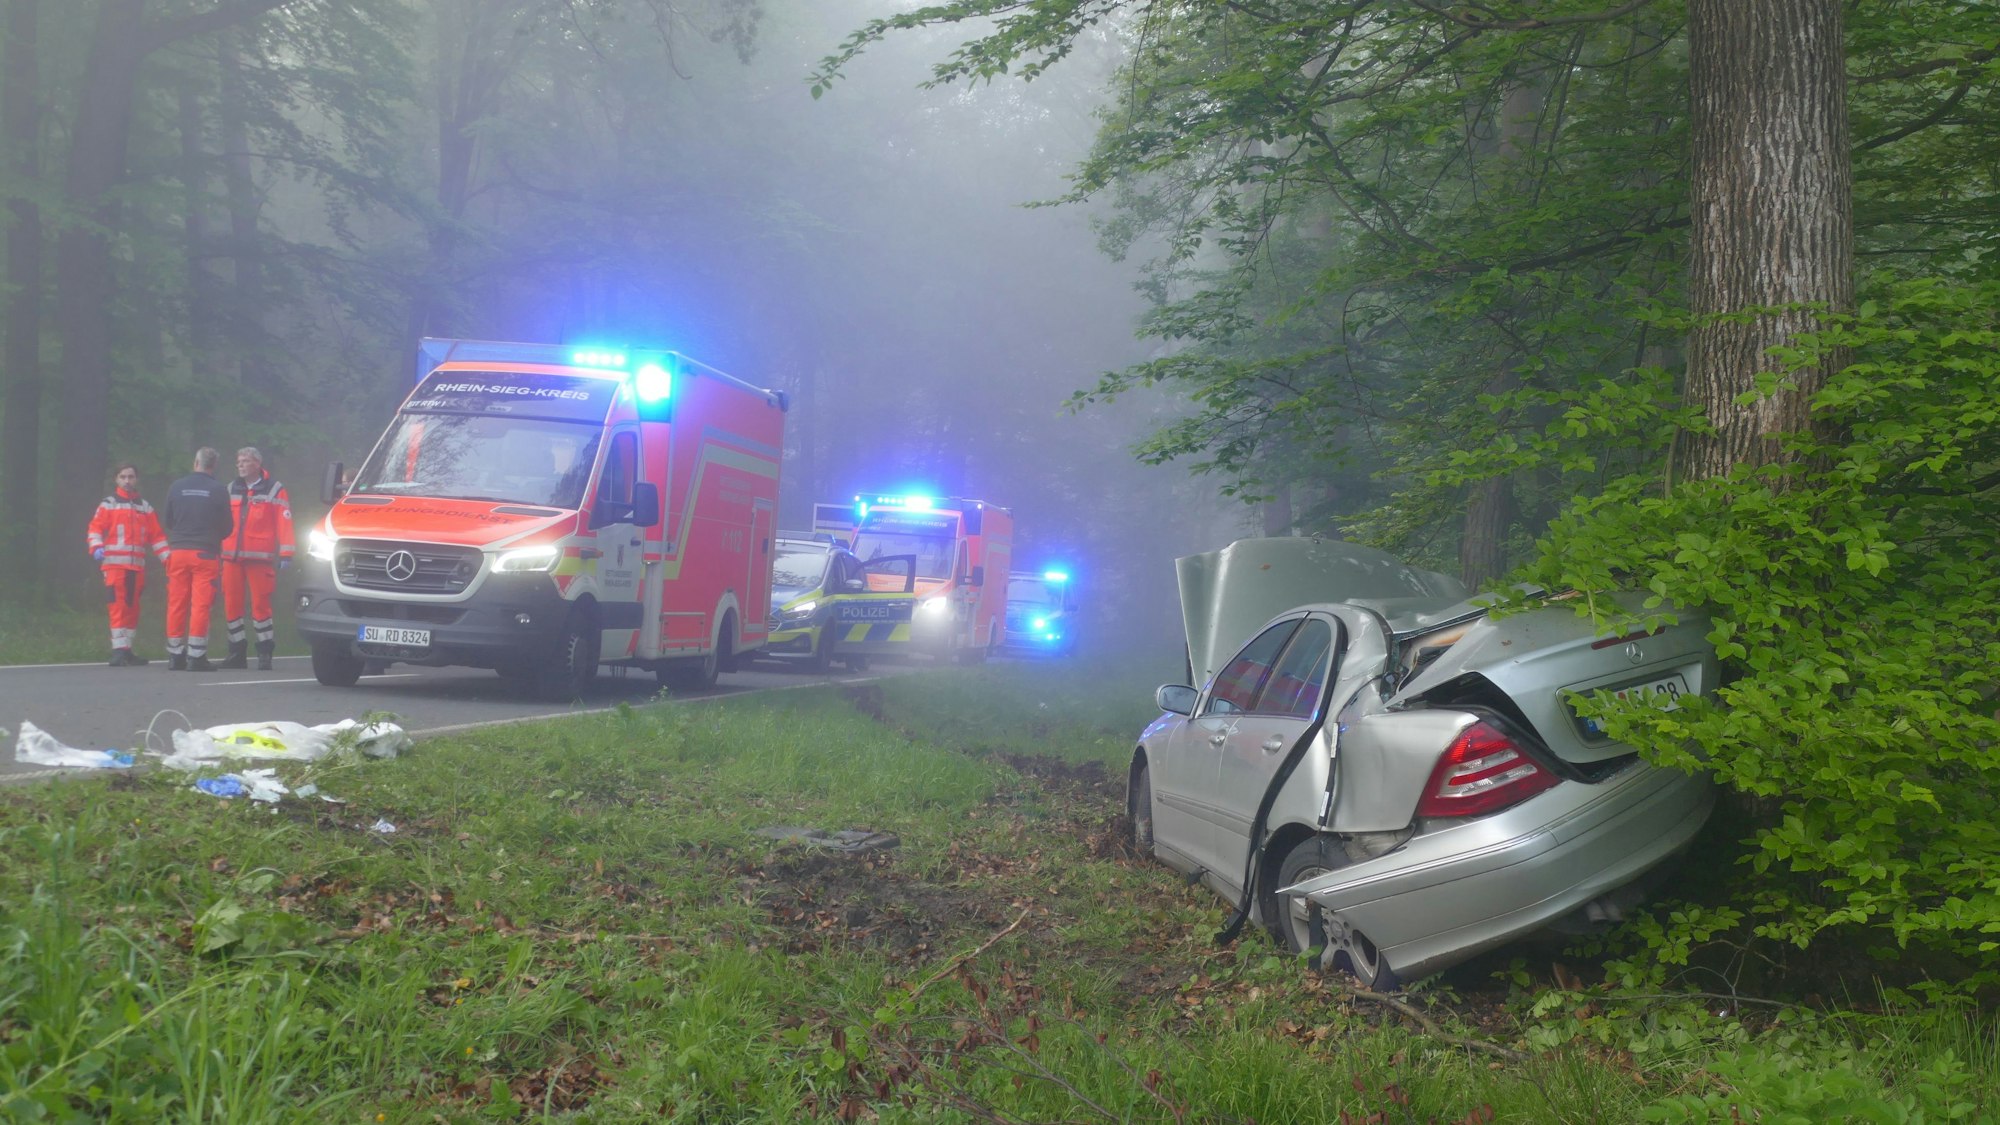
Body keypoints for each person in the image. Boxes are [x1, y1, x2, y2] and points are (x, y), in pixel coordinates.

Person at [86, 463, 170, 666]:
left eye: (131, 476)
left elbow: (157, 537)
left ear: (136, 479)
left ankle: (127, 649)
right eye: (123, 476)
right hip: (114, 566)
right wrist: (96, 547)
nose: (127, 480)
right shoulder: (109, 504)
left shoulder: (144, 507)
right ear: (116, 479)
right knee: (118, 607)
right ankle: (118, 650)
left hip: (137, 568)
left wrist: (169, 559)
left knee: (132, 608)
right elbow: (95, 529)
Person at [219, 446, 294, 670]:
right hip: (231, 557)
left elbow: (284, 521)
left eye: (245, 461)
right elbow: (221, 522)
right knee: (232, 606)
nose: (240, 464)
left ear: (257, 464)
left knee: (261, 607)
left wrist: (287, 552)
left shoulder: (274, 489)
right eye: (238, 461)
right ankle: (236, 652)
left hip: (259, 558)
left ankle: (264, 652)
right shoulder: (231, 488)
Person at [161, 447, 233, 671]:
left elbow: (168, 519)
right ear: (213, 466)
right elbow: (227, 527)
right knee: (200, 605)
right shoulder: (218, 489)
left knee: (176, 603)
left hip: (178, 551)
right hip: (205, 553)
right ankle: (196, 656)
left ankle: (175, 655)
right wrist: (211, 537)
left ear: (196, 463)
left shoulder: (177, 486)